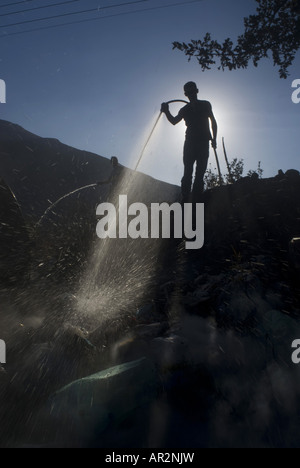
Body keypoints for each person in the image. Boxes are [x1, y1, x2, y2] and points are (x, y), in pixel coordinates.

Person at [161, 81, 218, 202]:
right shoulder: (184, 110)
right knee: (188, 172)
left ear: (197, 91)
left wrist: (214, 138)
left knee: (200, 172)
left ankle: (197, 198)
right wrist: (166, 111)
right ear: (186, 94)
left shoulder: (206, 104)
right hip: (190, 143)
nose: (191, 94)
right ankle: (185, 197)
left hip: (203, 142)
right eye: (188, 92)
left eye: (192, 91)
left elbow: (213, 121)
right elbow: (174, 121)